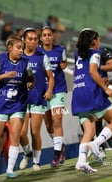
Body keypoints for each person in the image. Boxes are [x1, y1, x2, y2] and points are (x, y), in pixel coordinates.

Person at [0, 36, 34, 179]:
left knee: (15, 136)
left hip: (18, 103)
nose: (21, 51)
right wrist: (5, 75)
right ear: (10, 48)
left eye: (22, 48)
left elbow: (31, 79)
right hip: (1, 103)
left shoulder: (26, 63)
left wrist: (31, 84)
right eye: (18, 47)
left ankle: (10, 169)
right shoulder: (0, 60)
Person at [72, 28, 112, 173]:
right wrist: (106, 89)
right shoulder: (95, 53)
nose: (99, 43)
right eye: (98, 40)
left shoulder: (79, 55)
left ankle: (81, 162)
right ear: (94, 41)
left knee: (89, 130)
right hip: (91, 93)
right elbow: (93, 71)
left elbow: (76, 73)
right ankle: (97, 144)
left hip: (78, 94)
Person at [19, 28, 54, 171]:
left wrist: (49, 90)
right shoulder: (18, 57)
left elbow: (51, 77)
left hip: (38, 99)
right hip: (21, 100)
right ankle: (27, 153)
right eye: (30, 39)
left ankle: (36, 162)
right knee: (21, 133)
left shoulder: (42, 57)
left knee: (35, 132)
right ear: (24, 40)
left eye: (35, 39)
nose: (33, 41)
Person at [39, 26, 67, 167]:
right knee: (49, 125)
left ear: (52, 36)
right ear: (41, 38)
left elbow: (64, 62)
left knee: (57, 120)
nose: (47, 37)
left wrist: (64, 65)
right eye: (44, 35)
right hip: (43, 92)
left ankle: (56, 155)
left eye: (49, 34)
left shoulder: (60, 50)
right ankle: (60, 146)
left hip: (58, 90)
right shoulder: (37, 52)